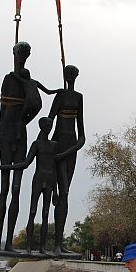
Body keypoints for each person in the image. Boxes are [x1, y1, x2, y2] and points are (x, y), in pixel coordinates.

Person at [0, 42, 57, 252]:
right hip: (6, 134)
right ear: (14, 54)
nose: (22, 57)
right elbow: (0, 120)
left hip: (20, 135)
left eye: (25, 54)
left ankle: (9, 242)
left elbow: (38, 103)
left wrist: (26, 86)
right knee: (5, 189)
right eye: (19, 53)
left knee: (16, 189)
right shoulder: (8, 80)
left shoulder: (27, 82)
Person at [0, 117, 64, 254]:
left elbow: (55, 167)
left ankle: (42, 247)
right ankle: (28, 246)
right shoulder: (36, 144)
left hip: (50, 180)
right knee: (32, 212)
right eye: (47, 125)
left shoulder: (54, 145)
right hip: (38, 179)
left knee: (45, 214)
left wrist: (56, 191)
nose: (49, 127)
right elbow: (25, 164)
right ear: (42, 127)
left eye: (51, 125)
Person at [47, 65, 85, 255]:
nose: (70, 76)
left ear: (75, 76)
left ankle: (59, 243)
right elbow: (49, 121)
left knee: (65, 193)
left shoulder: (78, 97)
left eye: (73, 74)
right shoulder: (60, 96)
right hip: (57, 144)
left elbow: (82, 136)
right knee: (56, 192)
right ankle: (54, 245)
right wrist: (45, 146)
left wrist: (69, 151)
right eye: (68, 74)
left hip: (70, 149)